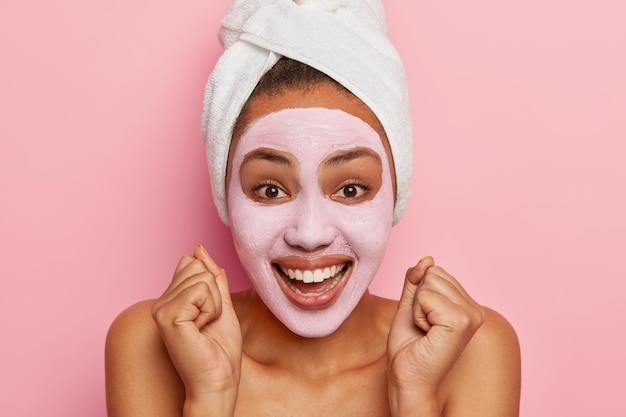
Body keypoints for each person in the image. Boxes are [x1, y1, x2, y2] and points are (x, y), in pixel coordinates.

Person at [105, 1, 521, 416]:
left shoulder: (471, 350)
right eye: (270, 190)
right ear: (225, 194)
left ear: (396, 194)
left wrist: (413, 398)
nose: (309, 233)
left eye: (351, 189)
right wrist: (211, 395)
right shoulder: (153, 342)